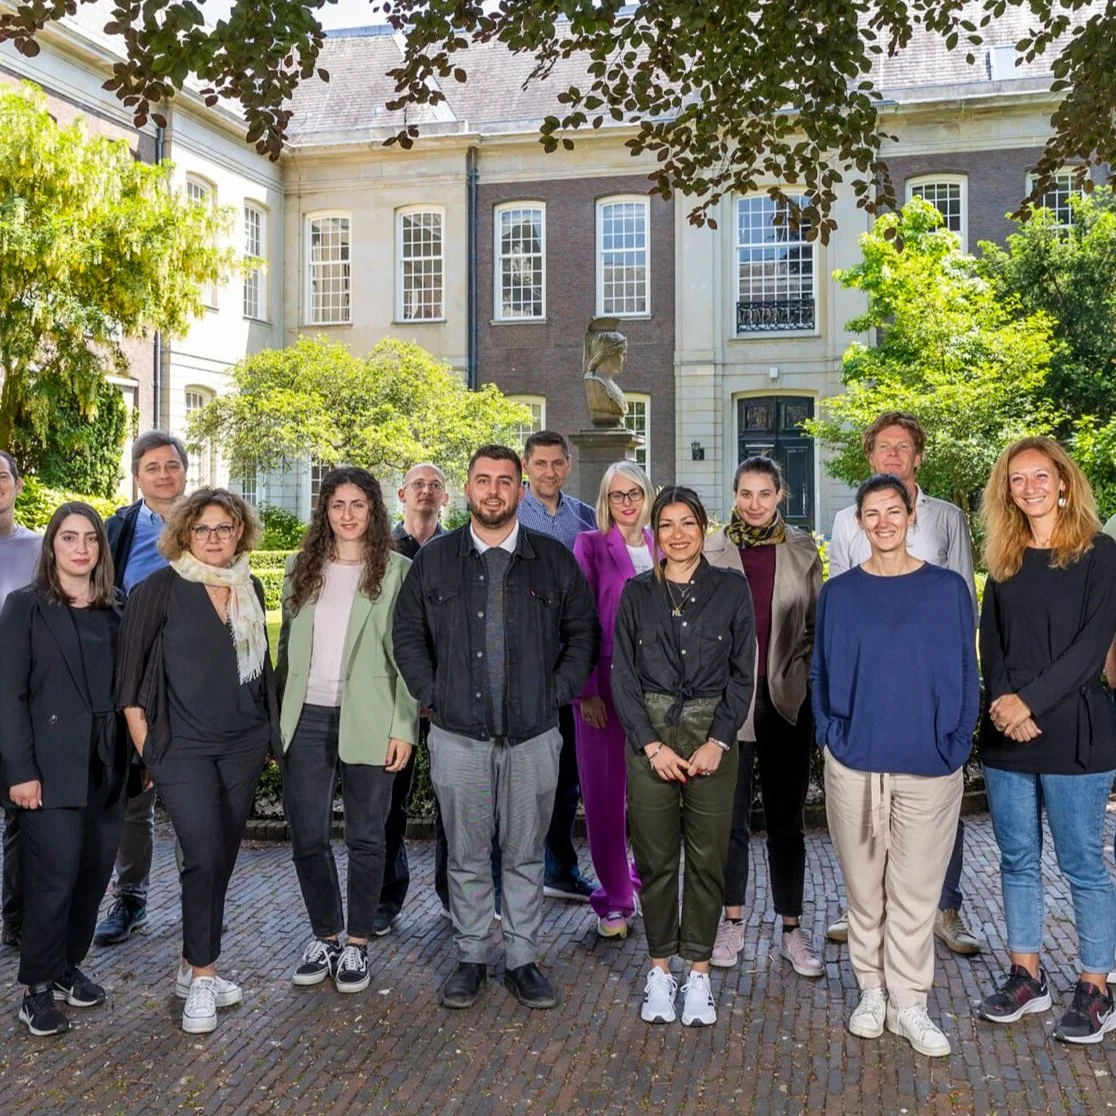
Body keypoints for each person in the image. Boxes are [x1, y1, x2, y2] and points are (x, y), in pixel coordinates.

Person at [393, 445, 599, 1011]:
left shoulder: (553, 561)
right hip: (459, 735)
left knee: (525, 852)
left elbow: (583, 635)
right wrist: (432, 694)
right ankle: (471, 956)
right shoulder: (436, 560)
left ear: (520, 489)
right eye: (483, 480)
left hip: (534, 734)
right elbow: (407, 635)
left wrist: (556, 692)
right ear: (468, 488)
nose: (493, 491)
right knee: (465, 851)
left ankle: (523, 958)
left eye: (504, 481)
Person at [813, 474, 979, 1058]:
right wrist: (830, 738)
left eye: (893, 510)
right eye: (871, 513)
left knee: (915, 892)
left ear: (912, 516)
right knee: (863, 890)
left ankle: (910, 1002)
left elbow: (966, 670)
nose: (883, 521)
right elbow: (822, 671)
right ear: (859, 523)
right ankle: (871, 991)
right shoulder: (840, 593)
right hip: (854, 763)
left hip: (929, 765)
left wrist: (957, 742)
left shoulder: (947, 590)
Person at [115, 488, 278, 1034]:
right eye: (203, 528)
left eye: (224, 528)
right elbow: (130, 685)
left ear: (239, 533)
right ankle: (205, 979)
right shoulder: (156, 589)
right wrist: (149, 751)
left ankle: (190, 965)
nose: (214, 537)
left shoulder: (250, 587)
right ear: (185, 533)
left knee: (220, 860)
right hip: (179, 749)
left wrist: (267, 738)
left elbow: (262, 671)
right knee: (203, 855)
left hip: (242, 747)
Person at [975, 438, 1116, 1045]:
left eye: (1040, 476)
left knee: (1083, 864)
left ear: (1063, 482)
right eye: (1016, 478)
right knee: (1017, 860)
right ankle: (1027, 976)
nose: (1028, 487)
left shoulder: (1101, 553)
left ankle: (1097, 987)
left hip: (1077, 732)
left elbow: (1092, 647)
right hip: (1010, 737)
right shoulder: (1004, 558)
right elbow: (994, 641)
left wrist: (1027, 703)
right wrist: (1007, 705)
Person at [826, 411, 980, 956]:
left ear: (919, 456)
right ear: (870, 456)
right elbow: (840, 611)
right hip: (870, 700)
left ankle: (945, 907)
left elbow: (964, 605)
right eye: (883, 447)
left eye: (903, 446)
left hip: (929, 694)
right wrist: (832, 722)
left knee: (935, 812)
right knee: (866, 823)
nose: (893, 455)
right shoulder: (848, 520)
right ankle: (866, 910)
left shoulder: (947, 519)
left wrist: (958, 722)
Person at [612, 486, 755, 1027]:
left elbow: (744, 673)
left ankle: (698, 974)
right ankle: (659, 971)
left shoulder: (730, 590)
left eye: (687, 523)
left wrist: (719, 741)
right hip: (650, 738)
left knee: (707, 859)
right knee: (654, 860)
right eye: (666, 524)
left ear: (702, 527)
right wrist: (651, 745)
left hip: (712, 734)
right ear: (655, 531)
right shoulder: (636, 594)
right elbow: (622, 676)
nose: (677, 534)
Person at [276, 467, 417, 992]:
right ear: (325, 511)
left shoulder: (397, 571)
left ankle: (357, 943)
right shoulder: (300, 568)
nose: (348, 514)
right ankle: (325, 935)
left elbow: (408, 655)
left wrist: (403, 726)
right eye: (338, 505)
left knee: (366, 836)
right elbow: (285, 652)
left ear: (373, 511)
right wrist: (277, 727)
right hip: (306, 717)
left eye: (358, 504)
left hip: (372, 717)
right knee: (308, 834)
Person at [0, 503, 126, 1037]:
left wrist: (136, 760)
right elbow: (9, 695)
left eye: (90, 539)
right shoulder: (24, 606)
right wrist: (19, 771)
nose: (80, 548)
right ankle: (35, 988)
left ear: (100, 548)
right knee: (52, 879)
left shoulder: (116, 607)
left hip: (107, 762)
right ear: (51, 546)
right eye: (69, 538)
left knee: (94, 875)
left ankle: (68, 968)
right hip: (47, 768)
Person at [704, 456, 824, 977]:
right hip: (727, 705)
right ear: (735, 496)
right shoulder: (712, 548)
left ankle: (792, 930)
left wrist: (811, 687)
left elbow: (819, 627)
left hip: (785, 704)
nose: (754, 504)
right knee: (728, 821)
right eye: (745, 494)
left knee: (786, 823)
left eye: (764, 494)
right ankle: (732, 922)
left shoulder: (801, 549)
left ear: (781, 496)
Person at [94, 431, 189, 948]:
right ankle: (130, 898)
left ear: (184, 472)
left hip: (190, 678)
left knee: (191, 793)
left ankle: (198, 902)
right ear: (138, 475)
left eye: (171, 465)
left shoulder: (209, 522)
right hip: (131, 677)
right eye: (152, 467)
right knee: (135, 795)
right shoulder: (118, 530)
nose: (162, 475)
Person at [571, 461, 654, 938]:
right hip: (603, 682)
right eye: (617, 494)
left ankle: (639, 879)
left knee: (652, 792)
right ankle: (614, 900)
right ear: (606, 500)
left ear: (646, 496)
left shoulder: (664, 543)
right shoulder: (590, 546)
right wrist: (585, 691)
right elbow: (578, 621)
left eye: (635, 493)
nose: (627, 502)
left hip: (658, 687)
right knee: (604, 795)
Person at [516, 430, 598, 903]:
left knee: (566, 779)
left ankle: (560, 868)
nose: (549, 472)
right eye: (540, 463)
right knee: (521, 779)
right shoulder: (512, 517)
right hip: (525, 664)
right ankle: (516, 873)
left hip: (570, 665)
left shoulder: (584, 518)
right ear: (527, 467)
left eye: (556, 463)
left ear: (567, 465)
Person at [380, 463, 449, 930]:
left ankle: (453, 894)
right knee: (389, 801)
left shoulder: (457, 549)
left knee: (454, 801)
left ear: (446, 497)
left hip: (447, 696)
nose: (426, 491)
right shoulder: (378, 550)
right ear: (402, 494)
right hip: (392, 692)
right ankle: (386, 899)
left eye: (435, 485)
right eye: (418, 485)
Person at [0, 449, 42, 951]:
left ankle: (15, 915)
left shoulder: (38, 549)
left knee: (19, 813)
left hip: (22, 700)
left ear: (17, 485)